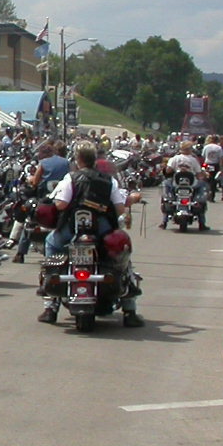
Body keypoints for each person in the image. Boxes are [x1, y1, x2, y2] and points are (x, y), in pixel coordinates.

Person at [40, 140, 144, 327]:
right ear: (94, 158)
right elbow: (120, 208)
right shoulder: (109, 180)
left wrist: (53, 201)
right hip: (101, 229)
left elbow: (61, 204)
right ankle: (130, 310)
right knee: (122, 256)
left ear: (77, 159)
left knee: (51, 243)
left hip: (72, 227)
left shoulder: (71, 178)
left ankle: (50, 305)